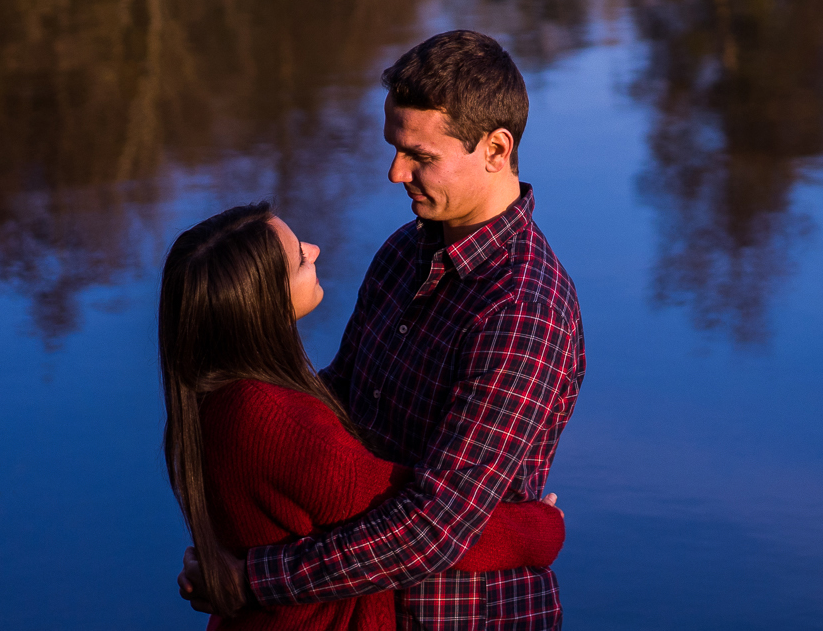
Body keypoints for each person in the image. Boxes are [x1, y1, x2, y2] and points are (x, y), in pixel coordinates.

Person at [182, 30, 587, 631]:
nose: (396, 173)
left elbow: (436, 526)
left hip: (457, 615)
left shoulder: (523, 310)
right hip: (355, 605)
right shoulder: (404, 252)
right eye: (395, 148)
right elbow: (343, 400)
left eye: (421, 156)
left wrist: (252, 580)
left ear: (496, 150)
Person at [158, 201, 566, 631]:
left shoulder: (217, 393)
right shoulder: (274, 417)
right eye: (299, 258)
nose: (314, 250)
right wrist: (538, 527)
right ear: (262, 301)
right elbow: (423, 525)